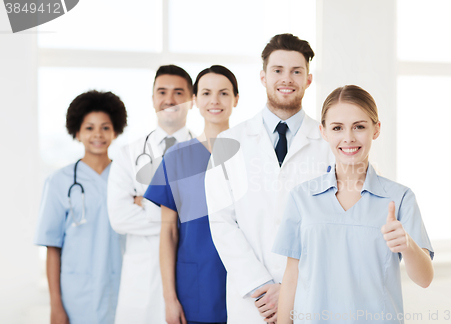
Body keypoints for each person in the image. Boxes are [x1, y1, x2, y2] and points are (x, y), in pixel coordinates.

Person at [273, 85, 434, 324]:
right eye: (337, 128)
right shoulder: (301, 197)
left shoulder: (400, 198)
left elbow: (424, 279)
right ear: (324, 131)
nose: (348, 137)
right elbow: (291, 277)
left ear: (376, 129)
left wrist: (407, 245)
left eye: (359, 126)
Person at [205, 34, 335, 324]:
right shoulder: (229, 142)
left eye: (296, 71)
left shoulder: (329, 144)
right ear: (263, 77)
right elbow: (222, 222)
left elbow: (332, 225)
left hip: (309, 295)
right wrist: (262, 287)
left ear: (309, 79)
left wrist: (291, 287)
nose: (286, 79)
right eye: (278, 70)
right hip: (254, 303)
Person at [144, 65, 238, 324]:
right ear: (195, 100)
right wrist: (169, 299)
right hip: (195, 286)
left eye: (224, 93)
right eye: (206, 93)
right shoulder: (176, 158)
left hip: (245, 281)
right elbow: (169, 232)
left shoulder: (251, 155)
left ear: (236, 99)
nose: (215, 101)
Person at [107, 65, 195, 324]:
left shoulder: (206, 154)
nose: (169, 99)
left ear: (191, 100)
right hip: (142, 279)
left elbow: (211, 219)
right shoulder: (127, 154)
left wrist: (145, 203)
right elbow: (119, 218)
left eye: (179, 92)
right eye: (162, 92)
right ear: (153, 99)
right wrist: (177, 217)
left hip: (189, 271)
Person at [34, 90, 128, 324]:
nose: (98, 134)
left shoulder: (127, 179)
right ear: (77, 132)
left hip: (123, 289)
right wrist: (56, 305)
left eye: (105, 127)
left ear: (115, 131)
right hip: (77, 296)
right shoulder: (59, 182)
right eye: (89, 128)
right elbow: (52, 247)